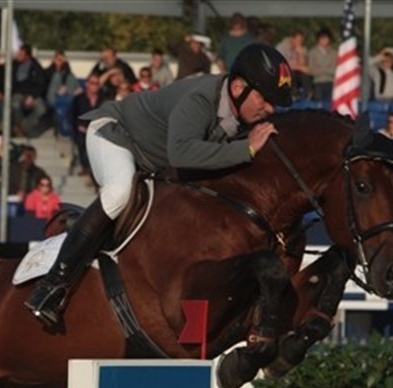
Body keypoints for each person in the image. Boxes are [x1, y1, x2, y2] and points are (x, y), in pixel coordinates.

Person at [25, 43, 291, 326]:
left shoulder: (242, 114)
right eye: (265, 99)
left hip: (153, 160)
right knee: (119, 192)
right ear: (238, 88)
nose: (270, 108)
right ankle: (53, 285)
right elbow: (182, 153)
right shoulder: (201, 98)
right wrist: (245, 149)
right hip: (115, 134)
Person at [308, 28, 336, 101]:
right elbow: (312, 70)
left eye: (326, 38)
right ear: (318, 39)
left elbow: (335, 70)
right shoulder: (312, 52)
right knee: (319, 104)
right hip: (317, 82)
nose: (324, 40)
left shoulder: (334, 53)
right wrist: (326, 70)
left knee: (330, 103)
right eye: (322, 38)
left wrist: (321, 69)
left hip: (331, 82)